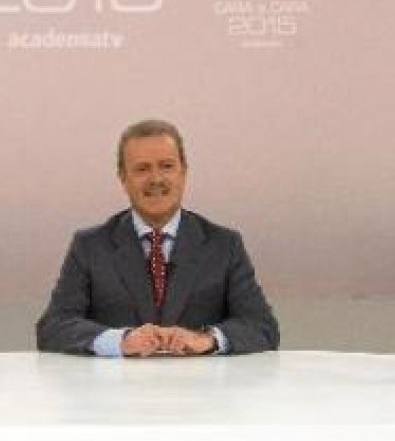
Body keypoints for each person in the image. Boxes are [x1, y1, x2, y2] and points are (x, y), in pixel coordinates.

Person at [36, 119, 279, 356]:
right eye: (142, 169)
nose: (156, 179)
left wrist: (208, 339)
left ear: (183, 172)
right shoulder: (90, 246)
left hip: (202, 392)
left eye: (166, 166)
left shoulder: (224, 245)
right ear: (123, 177)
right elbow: (53, 327)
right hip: (114, 393)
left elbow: (262, 327)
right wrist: (121, 341)